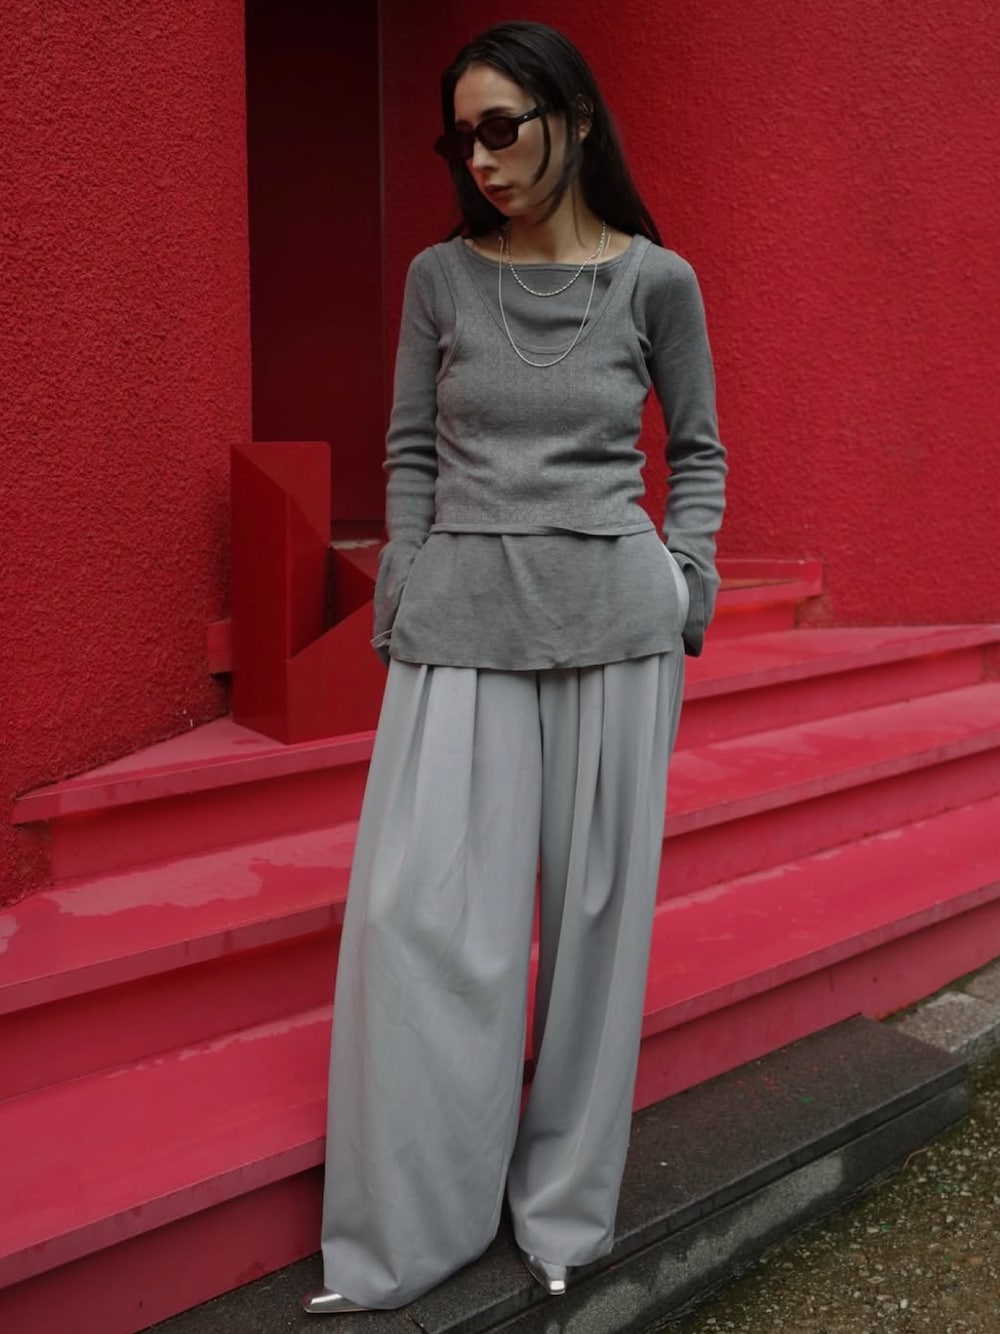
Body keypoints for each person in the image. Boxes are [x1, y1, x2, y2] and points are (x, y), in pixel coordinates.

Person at [302, 19, 727, 1315]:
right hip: (462, 628)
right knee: (421, 925)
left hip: (618, 627)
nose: (478, 160)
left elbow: (698, 450)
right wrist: (404, 592)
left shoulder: (658, 281)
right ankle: (409, 1230)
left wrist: (686, 580)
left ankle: (560, 1216)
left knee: (596, 937)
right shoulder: (440, 277)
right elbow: (409, 453)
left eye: (501, 128)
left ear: (574, 118)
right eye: (460, 139)